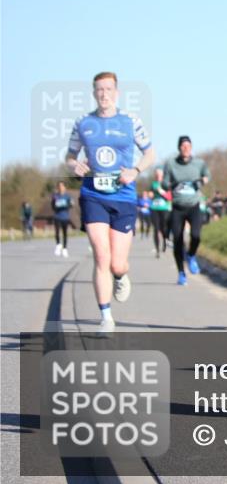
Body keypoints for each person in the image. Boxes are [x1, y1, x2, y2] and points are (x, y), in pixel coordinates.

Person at [66, 71, 156, 333]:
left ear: (116, 93)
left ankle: (121, 275)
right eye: (99, 89)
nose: (103, 94)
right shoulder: (83, 123)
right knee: (101, 256)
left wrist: (136, 171)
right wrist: (75, 165)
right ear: (94, 93)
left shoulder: (130, 121)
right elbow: (70, 155)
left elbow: (150, 152)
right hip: (93, 195)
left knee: (117, 262)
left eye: (108, 89)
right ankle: (105, 316)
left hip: (124, 197)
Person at [162, 136, 210, 285]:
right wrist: (170, 184)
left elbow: (207, 174)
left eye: (188, 146)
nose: (186, 149)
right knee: (177, 240)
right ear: (179, 148)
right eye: (183, 146)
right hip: (177, 207)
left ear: (191, 148)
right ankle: (181, 273)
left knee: (196, 235)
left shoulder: (199, 163)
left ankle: (191, 255)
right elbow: (164, 183)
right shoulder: (171, 164)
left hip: (194, 205)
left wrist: (204, 179)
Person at [150, 167, 172, 258]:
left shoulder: (166, 184)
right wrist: (150, 195)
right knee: (156, 228)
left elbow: (170, 197)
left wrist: (162, 192)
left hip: (164, 208)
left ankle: (164, 243)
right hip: (154, 207)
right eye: (157, 174)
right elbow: (150, 194)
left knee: (164, 227)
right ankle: (157, 249)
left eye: (160, 174)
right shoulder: (153, 184)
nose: (159, 176)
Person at [51, 182, 73, 257]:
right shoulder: (55, 196)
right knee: (57, 232)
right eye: (59, 186)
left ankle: (65, 248)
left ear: (64, 187)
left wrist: (65, 205)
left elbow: (71, 205)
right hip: (57, 216)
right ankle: (58, 244)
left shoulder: (67, 196)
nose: (60, 187)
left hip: (65, 217)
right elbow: (53, 206)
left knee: (64, 233)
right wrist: (57, 206)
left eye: (62, 186)